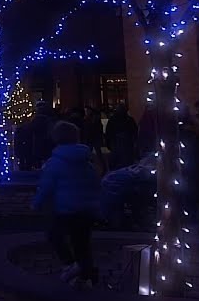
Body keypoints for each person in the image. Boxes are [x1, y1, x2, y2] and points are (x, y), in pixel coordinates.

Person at [32, 120, 100, 289]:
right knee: (82, 243)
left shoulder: (54, 163)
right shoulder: (86, 161)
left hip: (65, 209)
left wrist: (36, 203)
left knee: (54, 235)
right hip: (86, 209)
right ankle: (87, 276)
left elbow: (46, 186)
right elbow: (95, 183)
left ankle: (71, 265)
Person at [104, 103, 139, 171]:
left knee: (121, 163)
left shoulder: (114, 119)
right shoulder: (128, 119)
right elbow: (134, 131)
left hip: (121, 143)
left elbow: (108, 132)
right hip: (122, 143)